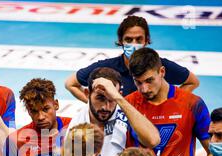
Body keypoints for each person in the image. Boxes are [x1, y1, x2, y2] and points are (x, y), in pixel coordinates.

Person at [65, 15, 199, 102]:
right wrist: (95, 103)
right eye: (129, 39)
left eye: (138, 39)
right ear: (121, 41)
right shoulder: (106, 68)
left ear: (146, 40)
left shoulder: (160, 65)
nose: (134, 43)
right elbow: (71, 84)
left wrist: (171, 103)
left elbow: (192, 82)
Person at [67, 67, 159, 156]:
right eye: (100, 98)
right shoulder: (76, 126)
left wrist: (118, 98)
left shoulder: (127, 117)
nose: (106, 107)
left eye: (111, 99)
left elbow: (153, 140)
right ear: (87, 93)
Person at [0, 78, 72, 156]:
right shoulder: (15, 140)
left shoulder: (76, 128)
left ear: (56, 104)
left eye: (45, 109)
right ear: (28, 111)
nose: (40, 117)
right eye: (34, 111)